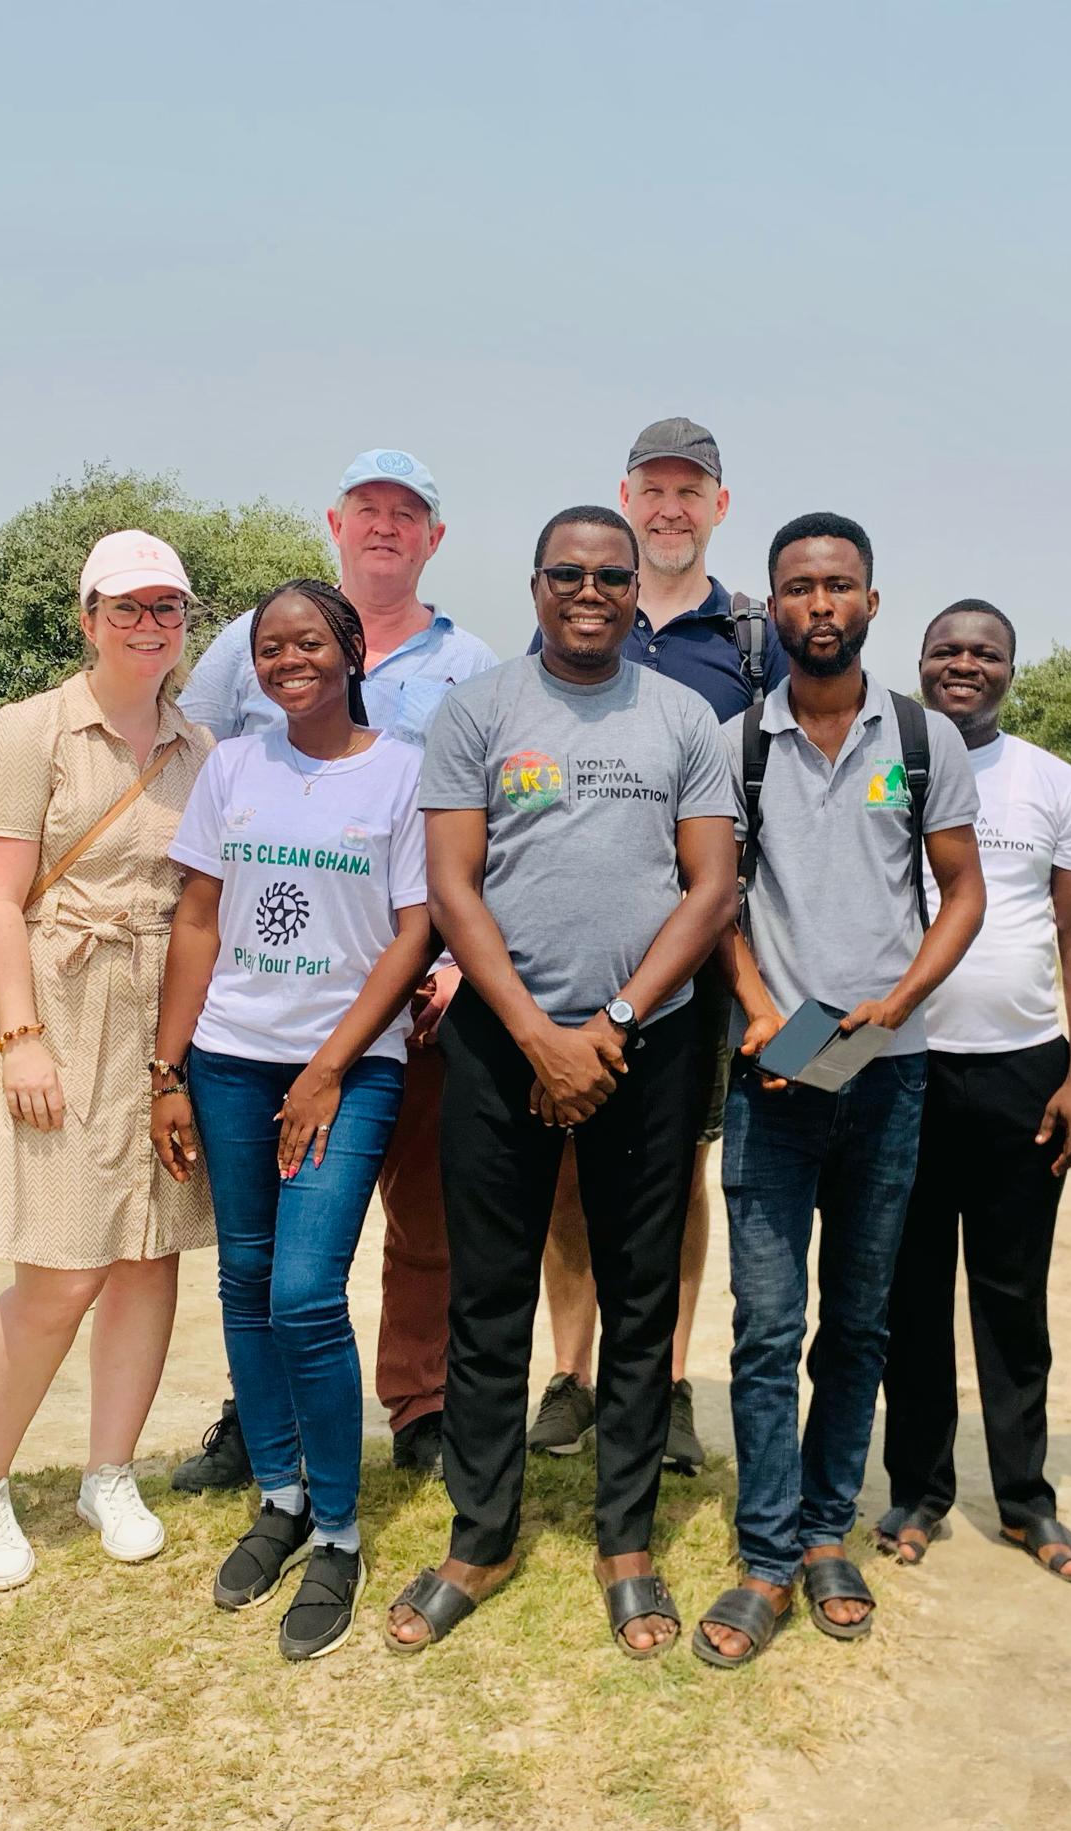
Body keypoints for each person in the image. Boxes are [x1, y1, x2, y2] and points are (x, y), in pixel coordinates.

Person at [386, 506, 738, 1656]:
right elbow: (452, 882)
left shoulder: (683, 717)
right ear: (536, 586)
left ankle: (624, 1541)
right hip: (502, 1041)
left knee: (641, 1299)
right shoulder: (478, 711)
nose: (590, 591)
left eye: (610, 576)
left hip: (651, 1038)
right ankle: (480, 1537)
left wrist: (611, 1024)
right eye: (567, 574)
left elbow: (710, 886)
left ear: (637, 592)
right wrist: (537, 1034)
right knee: (489, 1297)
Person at [172, 449, 496, 1490]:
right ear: (336, 523)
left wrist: (458, 964)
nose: (385, 526)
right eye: (368, 509)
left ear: (433, 537)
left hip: (420, 992)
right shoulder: (244, 644)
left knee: (423, 1217)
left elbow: (491, 821)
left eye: (407, 513)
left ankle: (419, 1401)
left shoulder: (472, 662)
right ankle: (257, 1417)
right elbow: (196, 760)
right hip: (265, 1006)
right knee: (269, 1252)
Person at [695, 513, 985, 1669]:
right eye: (799, 588)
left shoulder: (920, 739)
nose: (819, 605)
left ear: (871, 601)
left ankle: (826, 1533)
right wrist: (757, 1006)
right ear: (773, 607)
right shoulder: (737, 745)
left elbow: (961, 892)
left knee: (858, 1323)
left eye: (839, 586)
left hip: (886, 1074)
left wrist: (902, 999)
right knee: (767, 1329)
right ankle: (765, 1554)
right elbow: (711, 898)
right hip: (771, 1074)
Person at [152, 579, 435, 1661]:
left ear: (351, 649)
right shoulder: (232, 766)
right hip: (229, 1059)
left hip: (350, 1069)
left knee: (307, 1294)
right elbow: (198, 919)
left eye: (308, 641)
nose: (287, 661)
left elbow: (413, 934)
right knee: (245, 1278)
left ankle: (340, 1533)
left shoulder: (403, 771)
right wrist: (167, 1070)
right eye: (270, 647)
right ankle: (280, 1496)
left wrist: (326, 1069)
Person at [0, 530, 215, 1590]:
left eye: (166, 608)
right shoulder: (30, 734)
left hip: (160, 1018)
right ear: (88, 618)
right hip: (59, 1007)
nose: (148, 626)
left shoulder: (198, 748)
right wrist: (20, 1040)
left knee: (149, 1257)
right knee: (61, 1272)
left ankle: (110, 1471)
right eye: (127, 607)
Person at [527, 417, 786, 1473]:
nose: (670, 508)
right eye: (653, 489)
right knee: (567, 1171)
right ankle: (571, 1375)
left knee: (676, 1173)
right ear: (625, 498)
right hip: (573, 949)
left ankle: (669, 1381)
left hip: (700, 956)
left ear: (720, 507)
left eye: (691, 491)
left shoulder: (752, 642)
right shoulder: (577, 613)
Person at [875, 599, 1071, 1585]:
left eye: (985, 653)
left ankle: (1025, 1501)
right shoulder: (882, 767)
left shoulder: (1056, 784)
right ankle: (917, 1491)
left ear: (1011, 670)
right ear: (920, 662)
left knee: (1013, 1296)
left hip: (1022, 1070)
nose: (963, 665)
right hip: (901, 1065)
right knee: (909, 1292)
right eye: (946, 650)